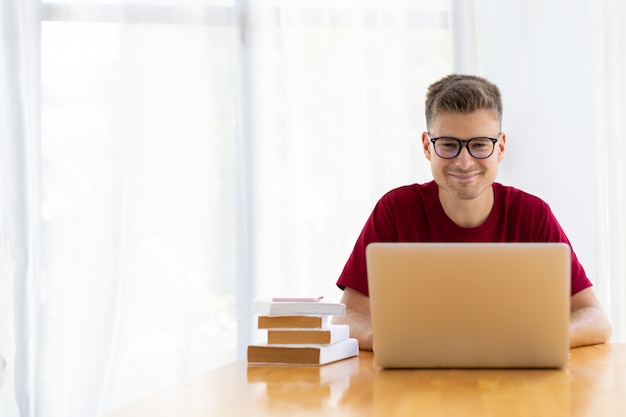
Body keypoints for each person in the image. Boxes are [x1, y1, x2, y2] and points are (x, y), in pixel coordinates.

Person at [333, 74, 611, 351]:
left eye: (479, 145)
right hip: (416, 381)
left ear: (500, 147)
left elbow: (595, 318)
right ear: (427, 147)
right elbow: (349, 316)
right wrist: (395, 341)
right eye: (448, 144)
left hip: (514, 382)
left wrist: (538, 340)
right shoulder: (395, 209)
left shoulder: (532, 214)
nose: (464, 162)